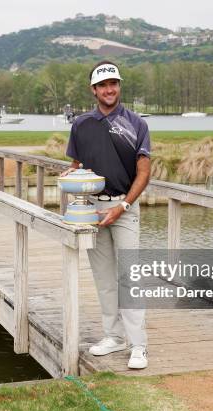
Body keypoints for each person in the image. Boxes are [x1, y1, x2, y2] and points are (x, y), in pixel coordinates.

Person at [61, 61, 151, 369]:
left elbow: (144, 172)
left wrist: (123, 206)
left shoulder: (136, 124)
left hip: (124, 208)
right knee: (104, 278)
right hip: (91, 211)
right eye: (102, 85)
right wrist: (70, 176)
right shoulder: (81, 125)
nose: (108, 89)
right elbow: (77, 166)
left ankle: (138, 345)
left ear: (119, 86)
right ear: (94, 90)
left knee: (129, 277)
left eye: (113, 84)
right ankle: (114, 336)